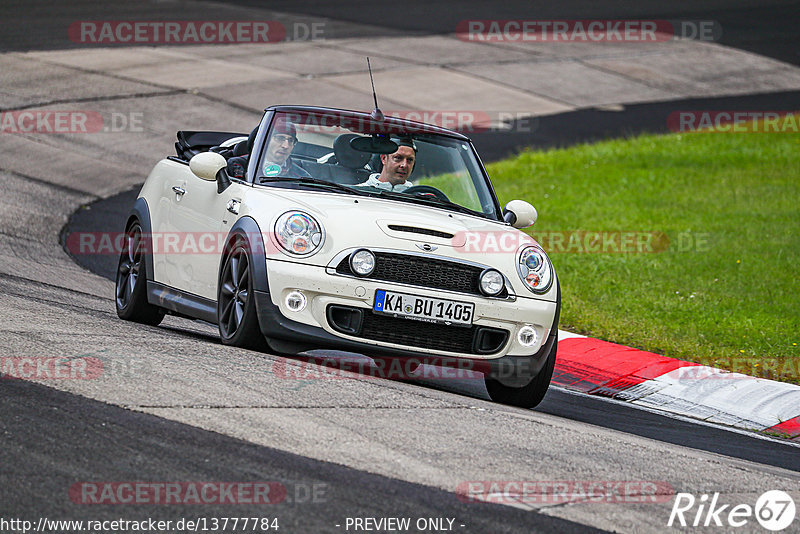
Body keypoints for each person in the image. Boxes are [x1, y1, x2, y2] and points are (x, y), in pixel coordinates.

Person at [226, 118, 309, 180]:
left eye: (291, 141)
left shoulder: (302, 176)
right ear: (265, 141)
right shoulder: (238, 166)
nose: (285, 146)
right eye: (280, 138)